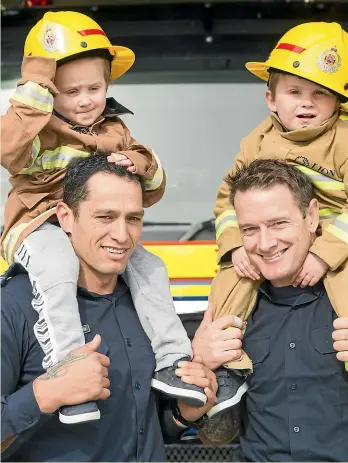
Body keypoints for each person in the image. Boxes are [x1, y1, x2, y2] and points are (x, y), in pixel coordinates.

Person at [0, 11, 206, 424]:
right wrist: (36, 88)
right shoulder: (34, 128)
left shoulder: (114, 130)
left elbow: (154, 187)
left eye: (94, 88)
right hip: (36, 227)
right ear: (49, 92)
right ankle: (69, 364)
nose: (84, 99)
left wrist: (137, 162)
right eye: (69, 90)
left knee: (151, 267)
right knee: (59, 264)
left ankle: (173, 362)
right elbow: (7, 149)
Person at [209, 21, 348, 415]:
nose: (306, 103)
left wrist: (323, 254)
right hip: (288, 231)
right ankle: (228, 367)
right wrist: (234, 247)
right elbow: (228, 199)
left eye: (320, 94)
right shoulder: (257, 141)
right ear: (271, 98)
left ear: (339, 103)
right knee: (234, 273)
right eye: (294, 91)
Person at [191, 159, 348, 461]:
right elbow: (212, 437)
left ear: (312, 216)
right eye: (249, 229)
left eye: (278, 223)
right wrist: (201, 367)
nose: (265, 243)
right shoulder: (232, 310)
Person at [0, 153, 217, 461]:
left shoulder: (149, 306)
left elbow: (140, 427)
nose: (121, 235)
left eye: (133, 219)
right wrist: (48, 393)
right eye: (105, 217)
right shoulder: (14, 305)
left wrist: (183, 414)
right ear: (65, 217)